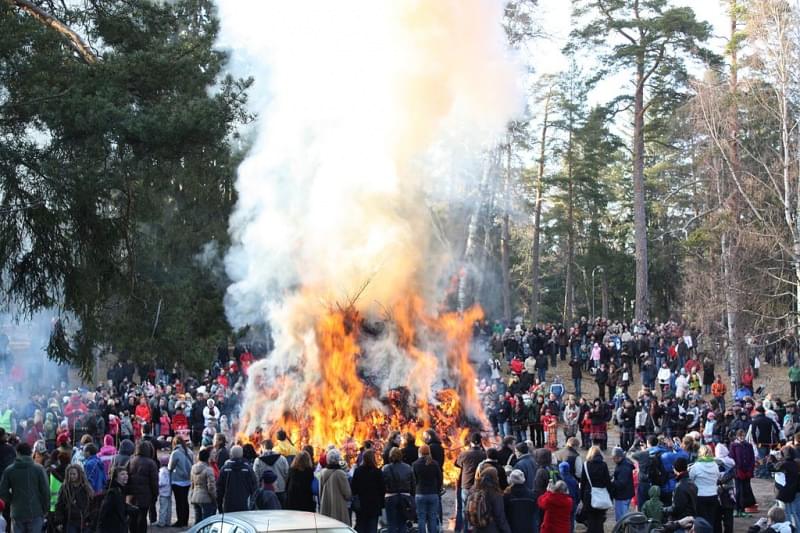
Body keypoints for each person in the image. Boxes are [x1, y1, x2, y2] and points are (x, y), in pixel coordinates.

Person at [0, 442, 49, 533]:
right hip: (36, 512)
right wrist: (45, 509)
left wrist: (12, 500)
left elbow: (2, 492)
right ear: (31, 453)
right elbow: (45, 491)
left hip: (17, 513)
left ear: (17, 453)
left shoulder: (9, 470)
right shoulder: (39, 469)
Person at [455, 433, 486, 532]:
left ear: (470, 442)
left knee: (465, 509)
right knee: (478, 508)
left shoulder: (465, 454)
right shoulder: (483, 454)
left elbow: (456, 463)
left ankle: (465, 529)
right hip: (479, 485)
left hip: (466, 485)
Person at [126, 440, 158, 533]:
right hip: (145, 496)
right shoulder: (151, 463)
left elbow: (126, 478)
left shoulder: (131, 461)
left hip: (131, 496)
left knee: (132, 519)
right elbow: (154, 482)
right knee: (142, 518)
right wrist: (155, 495)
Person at [467, 467, 511, 533]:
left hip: (476, 528)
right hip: (490, 528)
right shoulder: (495, 493)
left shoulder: (473, 490)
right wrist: (507, 530)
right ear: (495, 478)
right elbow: (500, 516)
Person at [351, 449, 384, 533]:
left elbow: (353, 488)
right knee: (372, 528)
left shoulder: (358, 471)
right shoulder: (377, 472)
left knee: (361, 527)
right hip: (374, 505)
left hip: (361, 505)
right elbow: (382, 489)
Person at [54, 464, 93, 533]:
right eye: (70, 474)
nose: (72, 476)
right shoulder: (65, 488)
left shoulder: (86, 488)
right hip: (70, 521)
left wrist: (90, 519)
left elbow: (92, 505)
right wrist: (59, 521)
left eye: (74, 474)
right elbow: (59, 505)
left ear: (79, 474)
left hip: (84, 522)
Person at [579, 445, 610, 533]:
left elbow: (583, 482)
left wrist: (582, 498)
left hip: (589, 495)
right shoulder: (603, 465)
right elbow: (607, 481)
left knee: (591, 520)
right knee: (600, 521)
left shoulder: (586, 465)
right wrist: (610, 496)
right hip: (601, 495)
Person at [217, 445, 257, 513]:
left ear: (231, 454)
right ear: (242, 454)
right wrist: (252, 505)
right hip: (244, 505)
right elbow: (254, 488)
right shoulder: (248, 469)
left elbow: (219, 490)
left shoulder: (224, 469)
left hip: (228, 505)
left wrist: (220, 507)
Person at [689, 445, 721, 530]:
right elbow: (718, 477)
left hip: (700, 496)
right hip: (713, 495)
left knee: (701, 521)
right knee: (711, 519)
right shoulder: (715, 465)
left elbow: (690, 478)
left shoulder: (696, 466)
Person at [382, 447, 413, 533]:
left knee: (391, 524)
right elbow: (413, 484)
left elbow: (382, 484)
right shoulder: (408, 467)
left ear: (390, 456)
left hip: (390, 497)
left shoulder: (386, 468)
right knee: (402, 523)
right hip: (405, 497)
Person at [412, 445, 441, 533]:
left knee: (421, 517)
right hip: (433, 493)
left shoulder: (415, 464)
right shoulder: (435, 463)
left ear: (419, 453)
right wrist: (437, 489)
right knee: (432, 517)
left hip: (420, 493)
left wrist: (414, 490)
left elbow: (413, 480)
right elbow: (440, 478)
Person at [319, 449, 352, 526]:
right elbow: (347, 494)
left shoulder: (323, 473)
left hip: (326, 506)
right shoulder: (341, 474)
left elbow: (320, 493)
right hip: (339, 508)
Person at [167, 436, 193, 527]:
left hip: (177, 480)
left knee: (179, 502)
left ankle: (180, 521)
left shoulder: (175, 453)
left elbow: (170, 467)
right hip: (187, 480)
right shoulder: (190, 452)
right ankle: (185, 520)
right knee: (185, 501)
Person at [255, 439, 289, 508]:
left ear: (263, 447)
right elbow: (287, 474)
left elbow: (256, 476)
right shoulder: (282, 459)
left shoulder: (258, 460)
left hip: (265, 491)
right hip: (280, 490)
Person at [97, 468, 130, 533]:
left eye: (126, 474)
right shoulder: (113, 492)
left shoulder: (120, 489)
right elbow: (104, 510)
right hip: (112, 527)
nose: (126, 476)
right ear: (115, 477)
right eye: (122, 474)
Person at [189, 447, 217, 523]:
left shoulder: (193, 468)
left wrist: (191, 495)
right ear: (207, 458)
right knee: (206, 522)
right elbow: (211, 487)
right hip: (206, 499)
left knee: (197, 522)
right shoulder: (209, 469)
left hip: (195, 497)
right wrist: (214, 498)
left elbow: (192, 484)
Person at [610, 446, 634, 522]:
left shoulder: (624, 467)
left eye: (614, 458)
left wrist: (612, 482)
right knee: (623, 516)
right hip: (626, 494)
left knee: (621, 519)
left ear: (619, 457)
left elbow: (621, 483)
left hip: (622, 496)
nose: (613, 460)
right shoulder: (624, 463)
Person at [156, 457, 172, 527]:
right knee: (168, 508)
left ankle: (161, 522)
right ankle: (168, 522)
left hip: (163, 492)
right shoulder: (168, 470)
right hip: (169, 491)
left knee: (163, 508)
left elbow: (162, 482)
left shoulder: (161, 471)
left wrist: (157, 485)